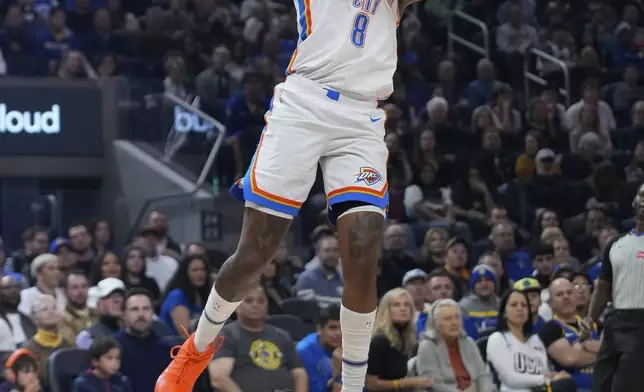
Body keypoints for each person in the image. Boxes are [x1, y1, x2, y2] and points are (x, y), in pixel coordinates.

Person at [155, 0, 425, 389]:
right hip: (304, 104)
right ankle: (193, 353)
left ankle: (351, 386)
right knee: (256, 251)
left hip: (363, 118)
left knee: (364, 253)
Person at [582, 182, 644, 392]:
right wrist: (590, 319)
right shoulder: (615, 244)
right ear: (634, 201)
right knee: (601, 385)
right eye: (641, 196)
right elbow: (603, 287)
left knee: (625, 387)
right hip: (615, 321)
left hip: (641, 323)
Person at [487, 289, 575, 392]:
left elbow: (545, 372)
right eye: (514, 305)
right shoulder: (497, 338)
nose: (520, 308)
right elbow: (509, 378)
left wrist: (556, 376)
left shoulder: (536, 341)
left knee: (567, 383)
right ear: (504, 312)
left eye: (524, 305)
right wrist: (547, 379)